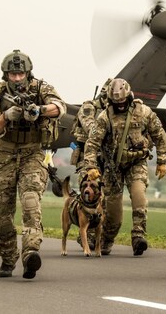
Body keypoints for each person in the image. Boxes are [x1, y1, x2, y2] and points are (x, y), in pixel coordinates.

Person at [0, 49, 66, 279]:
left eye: (20, 74)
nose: (17, 78)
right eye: (12, 74)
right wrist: (6, 116)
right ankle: (8, 258)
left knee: (30, 202)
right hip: (4, 154)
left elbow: (60, 107)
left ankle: (30, 253)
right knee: (1, 211)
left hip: (32, 153)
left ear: (28, 73)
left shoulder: (41, 88)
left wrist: (40, 110)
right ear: (6, 74)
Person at [83, 78, 166, 257]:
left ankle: (138, 236)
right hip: (113, 167)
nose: (120, 105)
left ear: (129, 97)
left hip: (136, 163)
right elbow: (92, 143)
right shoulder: (105, 117)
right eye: (116, 102)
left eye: (123, 101)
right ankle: (106, 239)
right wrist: (91, 166)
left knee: (139, 197)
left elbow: (159, 135)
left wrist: (162, 160)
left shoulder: (144, 112)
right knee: (114, 212)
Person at [70, 78, 112, 249]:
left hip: (103, 160)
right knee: (86, 198)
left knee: (105, 200)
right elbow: (92, 129)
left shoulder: (112, 112)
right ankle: (85, 234)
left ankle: (98, 237)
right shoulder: (89, 108)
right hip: (86, 161)